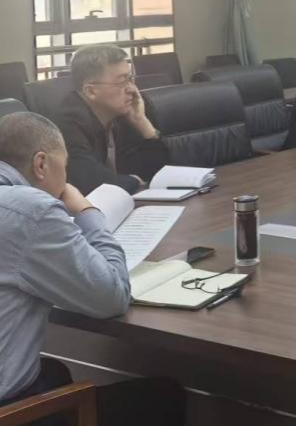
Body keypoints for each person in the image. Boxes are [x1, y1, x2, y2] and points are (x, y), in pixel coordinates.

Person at [0, 112, 185, 426]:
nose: (66, 179)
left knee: (55, 372)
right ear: (41, 164)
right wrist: (87, 211)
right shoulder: (31, 211)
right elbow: (112, 297)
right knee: (162, 395)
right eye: (64, 166)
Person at [55, 45, 166, 195]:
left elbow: (160, 173)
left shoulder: (125, 113)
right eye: (121, 82)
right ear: (91, 91)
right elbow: (89, 181)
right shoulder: (68, 122)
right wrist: (132, 181)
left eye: (130, 79)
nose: (131, 89)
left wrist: (141, 121)